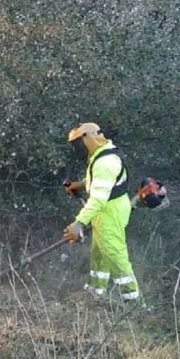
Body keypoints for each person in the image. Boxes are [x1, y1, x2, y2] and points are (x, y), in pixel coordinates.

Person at [62, 122, 142, 303]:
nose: (78, 149)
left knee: (114, 254)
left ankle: (134, 303)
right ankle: (95, 293)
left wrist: (78, 223)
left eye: (78, 144)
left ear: (88, 138)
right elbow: (100, 182)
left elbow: (98, 199)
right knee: (100, 254)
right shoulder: (102, 154)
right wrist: (80, 185)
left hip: (110, 212)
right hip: (107, 210)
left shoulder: (106, 162)